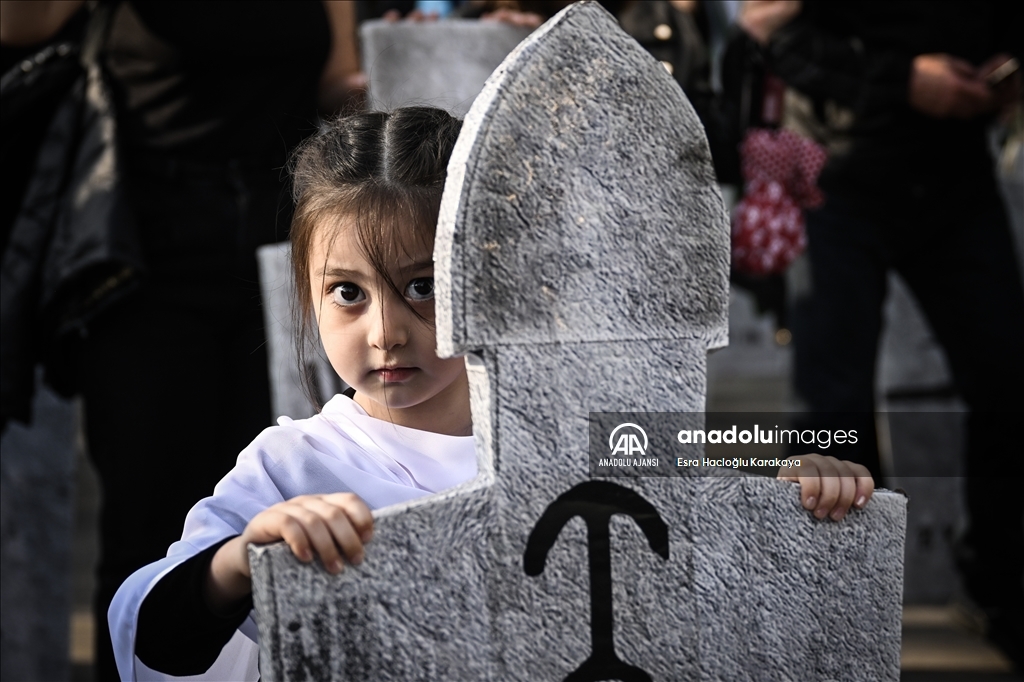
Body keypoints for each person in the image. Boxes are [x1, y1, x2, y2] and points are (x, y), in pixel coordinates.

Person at [105, 106, 876, 680]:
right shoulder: (289, 470)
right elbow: (151, 636)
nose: (385, 332)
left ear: (492, 284)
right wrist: (240, 562)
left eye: (422, 287)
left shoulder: (598, 431)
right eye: (347, 293)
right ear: (306, 297)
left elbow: (722, 502)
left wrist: (802, 488)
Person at [1, 2, 364, 677]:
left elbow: (342, 86)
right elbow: (19, 26)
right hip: (147, 260)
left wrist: (463, 43)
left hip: (279, 253)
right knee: (145, 521)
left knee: (281, 507)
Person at [742, 0, 1024, 668]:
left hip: (955, 175)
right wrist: (901, 80)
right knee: (834, 409)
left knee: (1009, 378)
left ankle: (999, 585)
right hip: (835, 174)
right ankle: (836, 605)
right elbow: (769, 27)